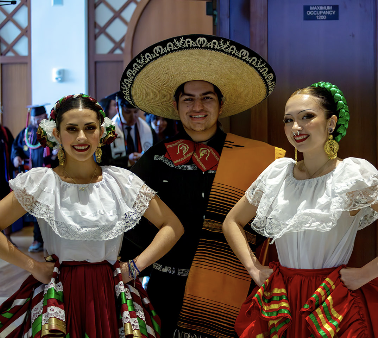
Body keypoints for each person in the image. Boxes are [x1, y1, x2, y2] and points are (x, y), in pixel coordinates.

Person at [118, 34, 285, 337]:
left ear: (221, 104)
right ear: (175, 105)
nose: (198, 106)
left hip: (232, 289)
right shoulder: (155, 158)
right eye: (188, 99)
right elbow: (126, 219)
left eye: (207, 97)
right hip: (165, 291)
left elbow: (271, 226)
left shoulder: (255, 159)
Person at [0, 94, 184, 338]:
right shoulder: (41, 182)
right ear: (56, 134)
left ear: (102, 132)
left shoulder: (121, 181)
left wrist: (135, 266)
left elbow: (172, 226)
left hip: (110, 291)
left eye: (89, 128)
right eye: (71, 129)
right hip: (58, 296)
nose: (81, 138)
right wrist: (32, 266)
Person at [223, 81, 378, 337]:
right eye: (288, 120)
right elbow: (231, 221)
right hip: (279, 299)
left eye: (307, 117)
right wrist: (253, 268)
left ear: (331, 122)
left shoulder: (353, 176)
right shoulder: (277, 174)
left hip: (330, 301)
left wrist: (365, 274)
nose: (296, 127)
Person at [11, 104, 59, 253]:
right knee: (37, 211)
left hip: (51, 177)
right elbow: (16, 148)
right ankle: (37, 239)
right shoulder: (25, 134)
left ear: (45, 117)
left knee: (52, 210)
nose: (36, 123)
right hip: (32, 179)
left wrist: (57, 154)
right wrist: (16, 157)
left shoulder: (54, 133)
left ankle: (55, 244)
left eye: (39, 120)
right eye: (34, 120)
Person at [102, 91, 155, 169]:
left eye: (136, 111)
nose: (133, 117)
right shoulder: (106, 132)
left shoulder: (148, 130)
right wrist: (126, 160)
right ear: (118, 109)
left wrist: (145, 157)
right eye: (127, 112)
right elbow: (102, 162)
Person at [0, 123, 14, 243]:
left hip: (3, 177)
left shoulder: (4, 131)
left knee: (5, 209)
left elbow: (13, 149)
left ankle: (7, 238)